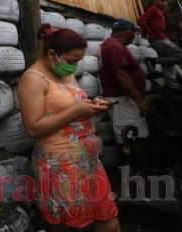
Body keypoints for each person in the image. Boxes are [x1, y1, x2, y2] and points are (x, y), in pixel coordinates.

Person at [18, 24, 120, 232]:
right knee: (72, 226)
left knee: (109, 224)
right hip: (60, 166)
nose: (74, 67)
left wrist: (92, 105)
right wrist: (76, 111)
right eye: (71, 61)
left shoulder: (66, 74)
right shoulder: (33, 79)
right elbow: (33, 128)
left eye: (77, 61)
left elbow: (68, 104)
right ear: (51, 53)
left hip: (88, 162)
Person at [98, 19, 149, 144]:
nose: (134, 37)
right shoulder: (115, 47)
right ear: (128, 32)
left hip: (122, 99)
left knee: (134, 134)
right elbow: (122, 76)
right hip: (121, 100)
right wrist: (140, 101)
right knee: (130, 137)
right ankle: (134, 162)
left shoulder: (109, 44)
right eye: (134, 33)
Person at [137, 0, 182, 92]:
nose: (165, 3)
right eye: (162, 1)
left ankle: (173, 87)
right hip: (160, 40)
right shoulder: (153, 9)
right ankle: (154, 61)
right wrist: (150, 33)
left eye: (167, 1)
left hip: (162, 39)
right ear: (156, 0)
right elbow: (141, 20)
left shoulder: (160, 12)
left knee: (168, 64)